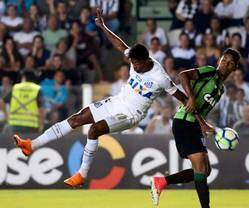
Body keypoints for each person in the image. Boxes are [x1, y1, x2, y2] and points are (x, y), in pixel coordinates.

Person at [14, 8, 189, 189]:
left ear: (146, 61)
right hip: (117, 101)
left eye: (137, 63)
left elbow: (180, 95)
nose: (134, 66)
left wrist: (197, 113)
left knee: (94, 129)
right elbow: (119, 44)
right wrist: (103, 26)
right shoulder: (134, 58)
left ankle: (81, 175)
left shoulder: (160, 77)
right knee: (76, 119)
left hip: (131, 114)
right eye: (132, 62)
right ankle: (31, 145)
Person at [150, 48, 240, 208]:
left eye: (230, 63)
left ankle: (161, 182)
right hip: (183, 123)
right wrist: (190, 97)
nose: (225, 64)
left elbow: (200, 109)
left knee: (205, 171)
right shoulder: (209, 72)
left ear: (234, 68)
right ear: (220, 60)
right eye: (224, 60)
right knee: (200, 168)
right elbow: (183, 76)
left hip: (194, 125)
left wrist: (204, 124)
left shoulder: (221, 88)